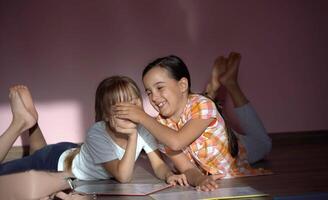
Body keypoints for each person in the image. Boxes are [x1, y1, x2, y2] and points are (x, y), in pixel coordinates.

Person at [0, 77, 186, 199]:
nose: (133, 109)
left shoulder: (144, 128)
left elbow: (159, 165)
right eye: (124, 105)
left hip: (75, 153)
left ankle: (32, 122)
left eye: (135, 101)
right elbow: (123, 176)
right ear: (107, 114)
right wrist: (132, 135)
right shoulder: (97, 133)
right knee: (33, 159)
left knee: (38, 152)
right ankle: (22, 123)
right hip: (56, 162)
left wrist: (169, 175)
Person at [114, 52, 272, 191]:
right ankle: (212, 89)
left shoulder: (202, 105)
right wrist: (200, 180)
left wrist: (142, 116)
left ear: (182, 85)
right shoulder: (160, 127)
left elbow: (177, 142)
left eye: (160, 88)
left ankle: (231, 84)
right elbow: (187, 168)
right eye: (148, 92)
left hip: (238, 149)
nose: (153, 98)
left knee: (264, 144)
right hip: (207, 142)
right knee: (201, 105)